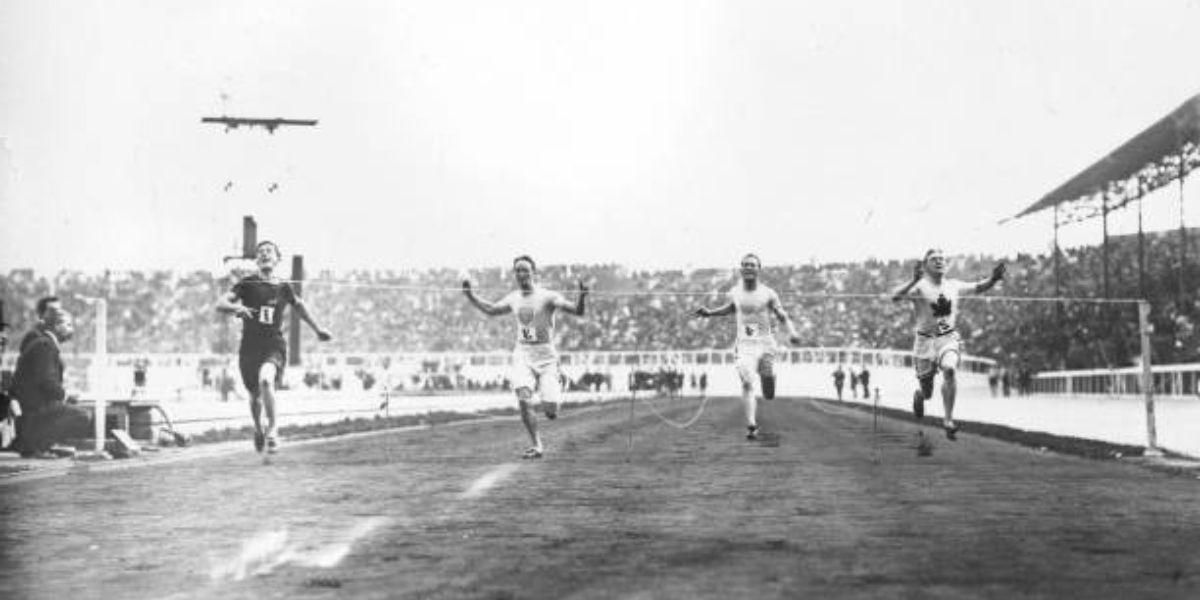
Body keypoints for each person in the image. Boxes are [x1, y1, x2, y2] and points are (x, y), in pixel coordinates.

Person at [462, 255, 588, 459]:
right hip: (523, 353)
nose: (521, 274)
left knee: (551, 411)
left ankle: (555, 386)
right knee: (523, 398)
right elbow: (492, 310)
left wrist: (582, 296)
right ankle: (537, 445)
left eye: (525, 270)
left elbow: (577, 311)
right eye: (517, 271)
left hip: (546, 356)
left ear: (533, 272)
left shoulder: (548, 296)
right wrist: (470, 296)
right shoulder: (513, 297)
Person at [217, 241, 332, 455]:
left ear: (277, 259)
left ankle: (273, 429)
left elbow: (299, 305)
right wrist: (237, 306)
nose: (264, 254)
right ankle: (259, 429)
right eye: (261, 252)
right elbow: (220, 303)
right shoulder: (247, 284)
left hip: (273, 344)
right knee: (254, 397)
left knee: (266, 380)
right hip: (250, 348)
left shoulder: (283, 286)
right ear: (257, 260)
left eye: (269, 251)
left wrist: (318, 330)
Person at [892, 248, 1005, 440]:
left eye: (941, 259)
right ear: (926, 265)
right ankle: (920, 395)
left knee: (950, 370)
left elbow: (978, 287)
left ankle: (948, 419)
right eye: (934, 259)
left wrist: (993, 279)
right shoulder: (919, 286)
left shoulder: (954, 285)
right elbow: (895, 297)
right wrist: (912, 280)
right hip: (924, 342)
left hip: (947, 338)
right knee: (927, 392)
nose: (939, 262)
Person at [693, 254, 802, 440]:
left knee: (768, 391)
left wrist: (792, 332)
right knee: (747, 381)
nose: (748, 267)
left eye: (752, 265)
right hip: (744, 345)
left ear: (759, 269)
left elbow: (782, 315)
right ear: (741, 269)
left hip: (765, 343)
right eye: (745, 265)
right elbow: (731, 308)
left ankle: (769, 378)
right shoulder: (735, 291)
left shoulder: (768, 293)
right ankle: (752, 425)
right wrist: (710, 313)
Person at [9, 297, 91, 458]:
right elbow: (46, 381)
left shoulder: (44, 343)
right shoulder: (45, 345)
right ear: (57, 326)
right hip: (35, 408)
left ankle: (40, 444)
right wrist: (66, 396)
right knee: (82, 416)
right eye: (68, 325)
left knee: (74, 410)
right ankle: (33, 445)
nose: (71, 329)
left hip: (33, 405)